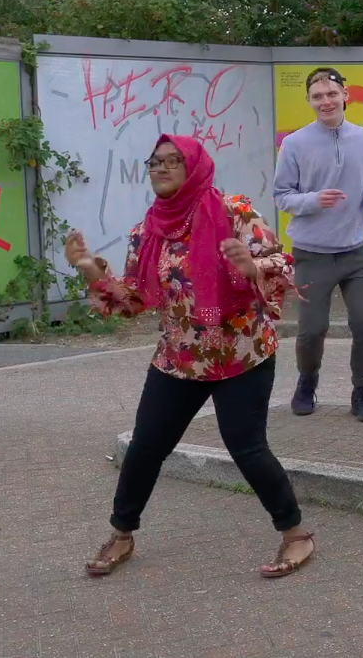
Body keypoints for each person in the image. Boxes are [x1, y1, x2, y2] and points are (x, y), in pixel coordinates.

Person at [67, 135, 316, 578]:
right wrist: (90, 268)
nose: (160, 168)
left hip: (241, 355)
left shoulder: (234, 212)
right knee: (145, 447)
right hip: (180, 359)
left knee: (247, 447)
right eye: (154, 161)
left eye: (172, 161)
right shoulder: (149, 231)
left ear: (195, 166)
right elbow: (133, 301)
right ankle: (122, 535)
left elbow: (284, 265)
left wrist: (253, 268)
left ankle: (296, 535)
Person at [274, 67, 363, 422]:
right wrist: (313, 200)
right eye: (317, 96)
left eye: (331, 93)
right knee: (312, 329)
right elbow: (283, 196)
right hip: (312, 254)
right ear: (310, 102)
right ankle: (307, 383)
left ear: (346, 95)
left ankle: (362, 394)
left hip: (358, 252)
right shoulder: (295, 144)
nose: (325, 101)